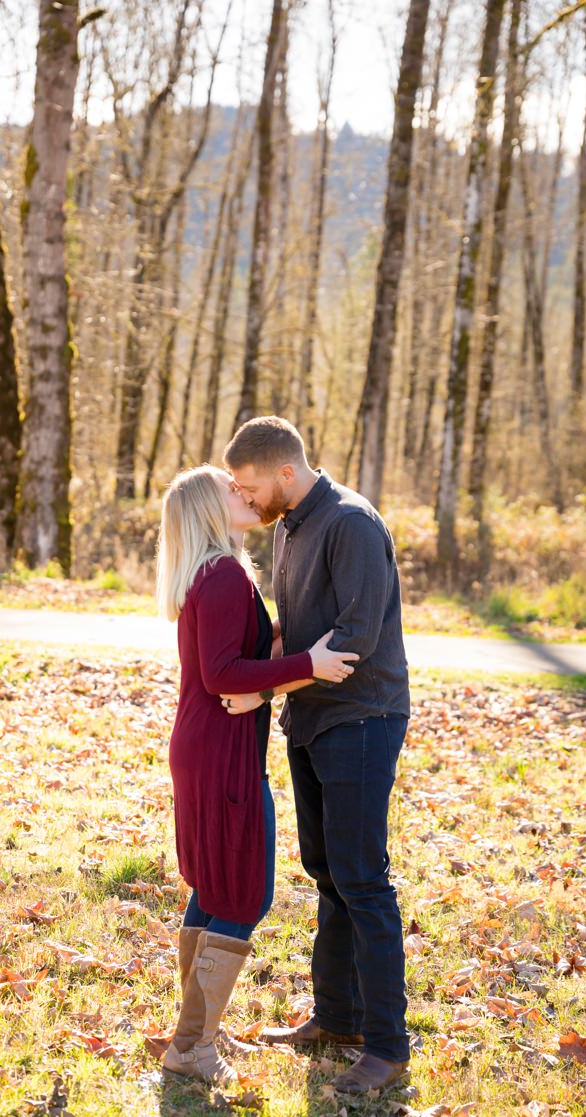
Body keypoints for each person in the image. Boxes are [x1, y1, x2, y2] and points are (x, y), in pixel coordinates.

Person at [219, 416, 411, 1096]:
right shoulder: (290, 525)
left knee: (363, 877)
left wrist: (273, 680)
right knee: (326, 868)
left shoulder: (352, 523)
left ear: (286, 473)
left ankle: (387, 1046)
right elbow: (300, 630)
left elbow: (351, 642)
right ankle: (337, 1017)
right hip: (312, 719)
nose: (246, 497)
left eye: (249, 485)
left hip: (363, 717)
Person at [154, 464, 359, 1084]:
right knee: (243, 894)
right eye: (229, 489)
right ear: (207, 511)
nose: (243, 493)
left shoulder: (218, 573)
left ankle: (191, 1033)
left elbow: (238, 658)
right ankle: (192, 1048)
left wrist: (286, 650)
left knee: (213, 888)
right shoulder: (219, 577)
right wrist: (308, 663)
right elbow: (222, 674)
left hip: (209, 744)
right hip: (219, 751)